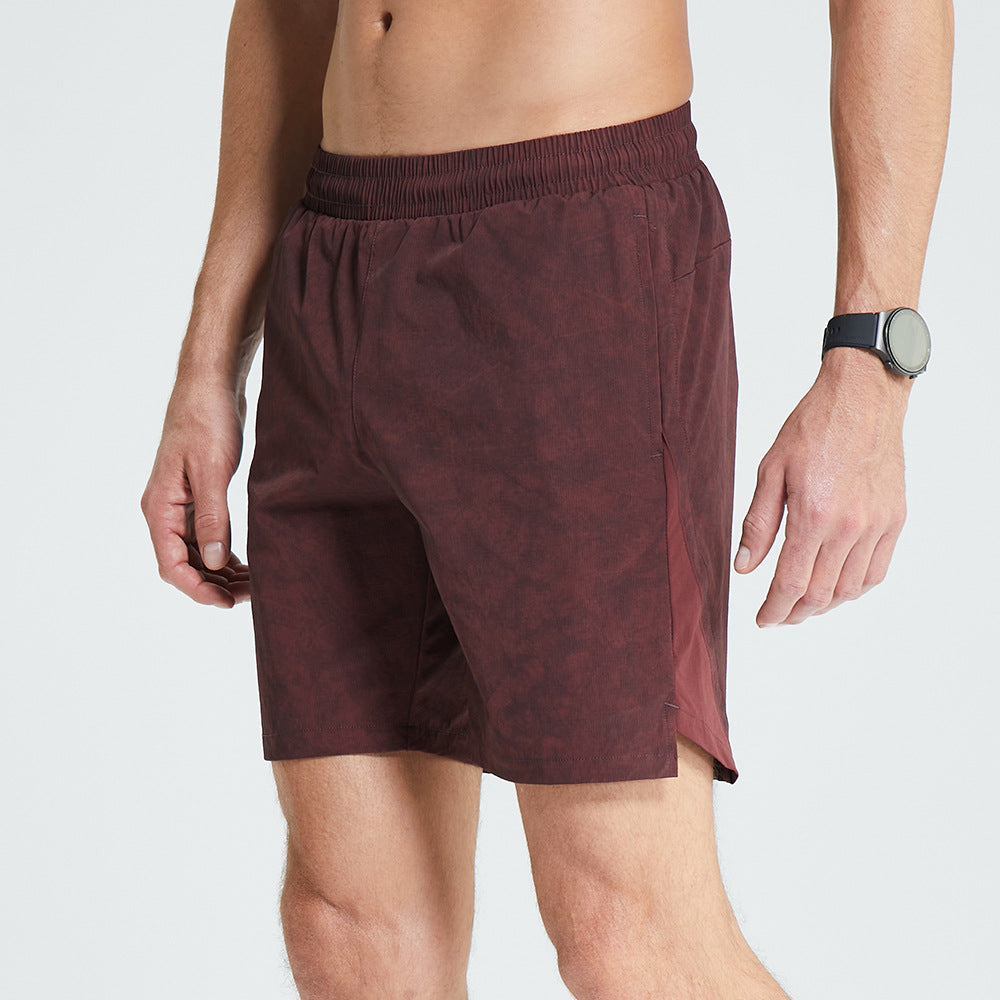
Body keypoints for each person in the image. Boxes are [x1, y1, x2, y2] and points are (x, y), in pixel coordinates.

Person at [140, 1, 953, 996]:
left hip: (571, 250)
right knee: (348, 926)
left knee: (627, 934)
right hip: (332, 264)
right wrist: (209, 360)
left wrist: (872, 364)